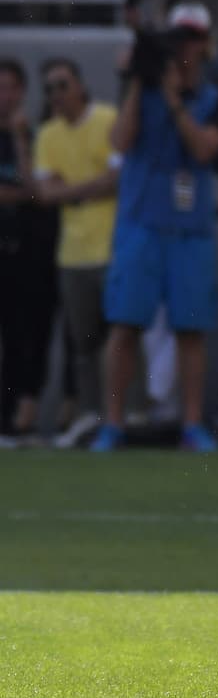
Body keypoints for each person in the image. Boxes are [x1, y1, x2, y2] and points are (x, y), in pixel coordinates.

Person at [90, 2, 218, 453]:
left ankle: (191, 424)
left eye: (192, 39)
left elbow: (205, 150)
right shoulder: (140, 90)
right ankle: (112, 424)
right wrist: (139, 82)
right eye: (178, 39)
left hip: (190, 231)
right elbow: (121, 143)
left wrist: (173, 100)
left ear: (204, 44)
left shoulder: (212, 96)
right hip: (140, 224)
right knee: (125, 325)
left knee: (191, 328)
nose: (185, 48)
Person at [32, 57, 119, 447]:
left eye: (62, 85)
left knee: (121, 337)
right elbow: (45, 194)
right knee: (83, 345)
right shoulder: (48, 134)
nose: (57, 95)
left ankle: (122, 415)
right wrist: (90, 188)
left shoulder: (107, 119)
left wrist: (71, 191)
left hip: (113, 250)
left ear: (80, 86)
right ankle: (92, 415)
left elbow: (119, 179)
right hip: (73, 255)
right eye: (50, 89)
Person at [0, 57, 57, 441]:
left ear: (22, 92)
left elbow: (39, 191)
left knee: (26, 335)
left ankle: (19, 417)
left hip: (31, 251)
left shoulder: (38, 136)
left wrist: (21, 139)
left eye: (10, 88)